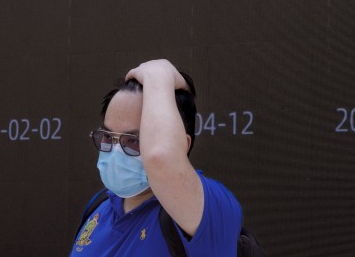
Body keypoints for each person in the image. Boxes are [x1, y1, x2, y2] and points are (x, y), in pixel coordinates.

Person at [70, 59, 242, 256]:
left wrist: (159, 72)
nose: (115, 151)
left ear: (182, 145)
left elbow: (161, 158)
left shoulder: (212, 210)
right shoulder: (99, 206)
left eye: (133, 141)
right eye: (108, 137)